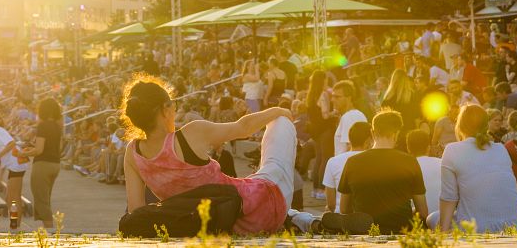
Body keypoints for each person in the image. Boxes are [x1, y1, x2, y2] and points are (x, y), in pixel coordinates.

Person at [122, 74, 298, 234]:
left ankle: (300, 218)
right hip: (262, 206)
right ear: (165, 110)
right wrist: (279, 110)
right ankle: (295, 217)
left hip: (214, 225)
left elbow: (136, 212)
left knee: (265, 171)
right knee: (280, 124)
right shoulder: (191, 133)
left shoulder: (133, 154)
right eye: (173, 106)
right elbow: (243, 128)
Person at [427, 104, 517, 232]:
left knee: (432, 218)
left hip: (478, 227)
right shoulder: (501, 149)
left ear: (460, 127)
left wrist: (443, 234)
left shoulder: (452, 150)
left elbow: (449, 198)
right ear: (486, 126)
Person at [338, 110, 428, 234]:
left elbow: (344, 209)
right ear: (396, 133)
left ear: (372, 132)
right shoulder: (410, 161)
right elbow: (422, 212)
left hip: (364, 231)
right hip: (400, 231)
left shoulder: (352, 162)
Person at [18, 98, 63, 229]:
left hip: (43, 165)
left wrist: (23, 153)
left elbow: (39, 150)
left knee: (42, 201)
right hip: (55, 164)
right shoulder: (57, 126)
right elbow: (57, 147)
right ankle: (47, 230)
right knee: (45, 199)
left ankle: (50, 233)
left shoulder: (43, 126)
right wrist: (32, 149)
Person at [0, 111, 28, 226]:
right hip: (13, 165)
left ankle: (15, 224)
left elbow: (11, 144)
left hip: (16, 165)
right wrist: (1, 175)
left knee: (14, 197)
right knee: (9, 198)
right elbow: (5, 153)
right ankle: (14, 221)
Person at [322, 122, 372, 214]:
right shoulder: (373, 161)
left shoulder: (333, 161)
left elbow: (331, 204)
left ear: (349, 139)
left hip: (340, 217)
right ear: (369, 141)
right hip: (366, 218)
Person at [306, 70, 337, 200]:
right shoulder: (323, 94)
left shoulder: (310, 95)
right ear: (322, 80)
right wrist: (334, 112)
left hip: (315, 131)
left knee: (319, 159)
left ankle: (315, 189)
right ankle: (321, 189)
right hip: (325, 130)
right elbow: (325, 115)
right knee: (325, 159)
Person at [407, 130, 441, 214]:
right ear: (428, 147)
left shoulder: (405, 169)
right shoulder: (443, 163)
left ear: (408, 148)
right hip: (444, 218)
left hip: (418, 221)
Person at [332, 81, 368, 156]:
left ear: (349, 98)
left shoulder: (349, 117)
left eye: (337, 97)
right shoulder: (354, 114)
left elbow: (351, 148)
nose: (332, 100)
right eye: (332, 96)